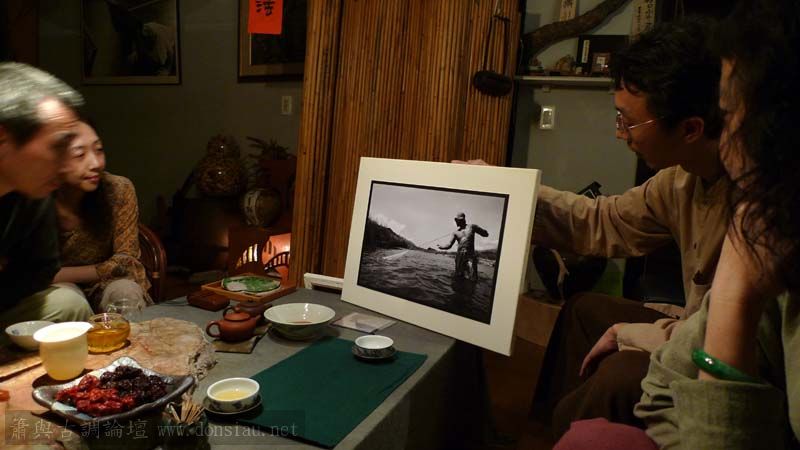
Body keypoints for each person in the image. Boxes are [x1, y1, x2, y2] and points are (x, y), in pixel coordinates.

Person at [529, 17, 730, 437]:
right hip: (693, 329)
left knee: (620, 376)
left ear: (691, 129)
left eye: (627, 122)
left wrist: (639, 334)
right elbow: (605, 219)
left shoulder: (758, 202)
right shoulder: (679, 180)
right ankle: (551, 434)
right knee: (583, 310)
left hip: (722, 356)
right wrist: (515, 193)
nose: (621, 135)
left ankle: (575, 434)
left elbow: (730, 337)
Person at [632, 1, 800, 447]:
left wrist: (732, 296)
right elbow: (661, 388)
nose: (723, 144)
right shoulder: (766, 225)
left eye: (727, 116)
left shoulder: (759, 223)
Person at [0, 62, 93, 329]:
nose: (66, 166)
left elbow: (41, 270)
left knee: (69, 303)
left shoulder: (34, 192)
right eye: (57, 146)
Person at [52, 119, 152, 312]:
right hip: (56, 287)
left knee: (125, 292)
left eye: (98, 150)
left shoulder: (117, 189)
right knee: (67, 302)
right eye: (80, 155)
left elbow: (125, 262)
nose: (96, 163)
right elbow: (26, 272)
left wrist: (53, 275)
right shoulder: (36, 196)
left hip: (107, 281)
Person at [438, 212, 489, 281]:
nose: (456, 222)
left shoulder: (472, 226)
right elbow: (449, 245)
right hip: (459, 256)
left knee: (472, 278)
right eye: (456, 220)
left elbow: (485, 234)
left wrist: (484, 232)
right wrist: (441, 247)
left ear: (462, 219)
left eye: (457, 220)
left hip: (470, 255)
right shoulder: (455, 233)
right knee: (458, 276)